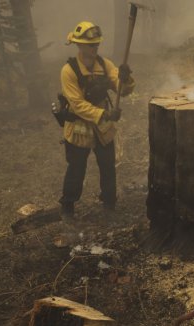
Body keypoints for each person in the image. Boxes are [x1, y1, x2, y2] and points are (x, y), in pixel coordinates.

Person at [59, 21, 135, 218]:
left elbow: (122, 90)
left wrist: (125, 78)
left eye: (97, 44)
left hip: (103, 128)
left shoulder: (105, 64)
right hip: (78, 129)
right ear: (80, 45)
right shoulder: (69, 71)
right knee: (76, 168)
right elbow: (77, 104)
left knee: (108, 166)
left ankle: (109, 205)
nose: (95, 48)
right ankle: (68, 207)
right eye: (91, 44)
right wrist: (104, 114)